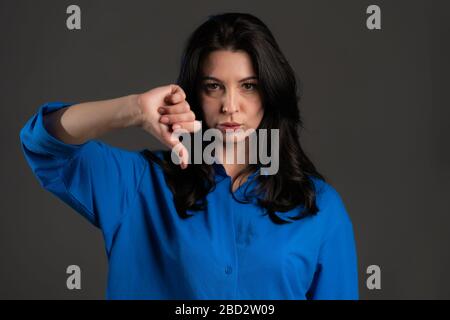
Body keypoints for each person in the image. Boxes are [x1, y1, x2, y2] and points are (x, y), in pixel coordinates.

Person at [19, 12, 358, 300]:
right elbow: (43, 144)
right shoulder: (140, 184)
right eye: (214, 86)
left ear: (270, 92)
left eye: (248, 86)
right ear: (194, 93)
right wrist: (134, 109)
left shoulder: (321, 207)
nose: (230, 105)